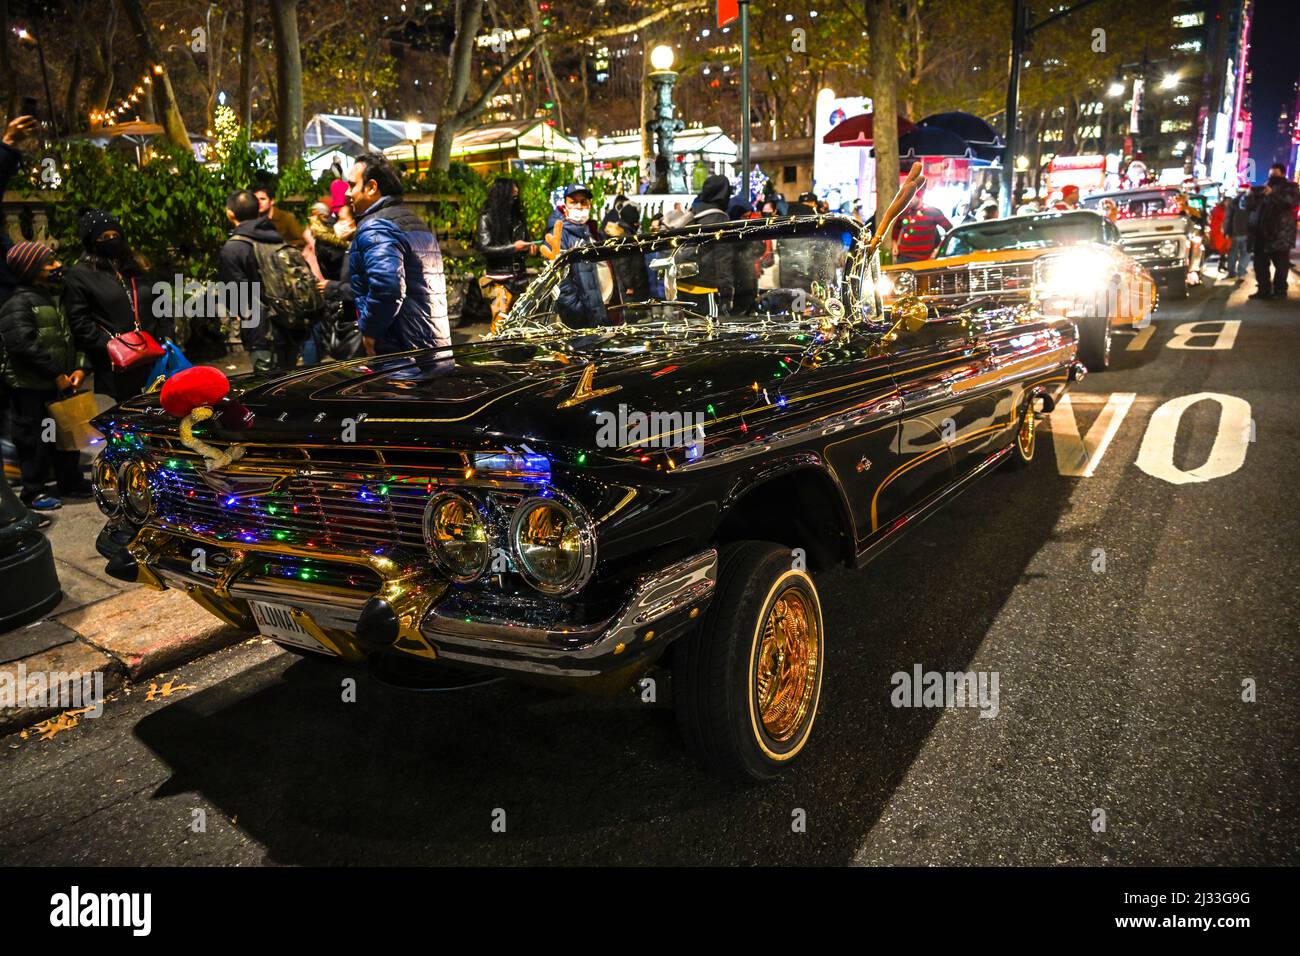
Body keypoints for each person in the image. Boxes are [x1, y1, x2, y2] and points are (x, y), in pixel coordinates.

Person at [1, 242, 93, 510]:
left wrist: (80, 367)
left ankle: (70, 481)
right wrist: (55, 374)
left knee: (65, 437)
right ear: (31, 269)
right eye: (48, 263)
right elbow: (22, 345)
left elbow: (72, 337)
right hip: (32, 389)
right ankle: (34, 491)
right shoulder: (17, 304)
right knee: (35, 441)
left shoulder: (54, 298)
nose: (56, 266)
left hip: (61, 384)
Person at [347, 151, 449, 354]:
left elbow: (387, 287)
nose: (347, 193)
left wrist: (370, 332)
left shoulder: (376, 227)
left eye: (351, 185)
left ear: (371, 187)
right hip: (432, 346)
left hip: (399, 352)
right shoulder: (414, 221)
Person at [62, 209, 168, 401]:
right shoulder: (80, 275)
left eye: (115, 235)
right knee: (128, 418)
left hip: (154, 357)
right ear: (92, 242)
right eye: (104, 237)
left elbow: (160, 303)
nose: (112, 240)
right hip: (117, 366)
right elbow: (80, 321)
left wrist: (166, 335)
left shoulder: (135, 267)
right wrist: (109, 347)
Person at [218, 188, 305, 374]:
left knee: (267, 389)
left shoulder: (233, 248)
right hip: (290, 324)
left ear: (230, 212)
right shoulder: (274, 236)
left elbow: (236, 298)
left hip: (261, 332)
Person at [477, 177, 537, 332]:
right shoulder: (487, 217)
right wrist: (513, 248)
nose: (514, 199)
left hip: (519, 276)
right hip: (500, 278)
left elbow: (522, 240)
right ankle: (500, 353)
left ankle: (516, 352)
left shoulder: (517, 216)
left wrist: (528, 248)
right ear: (502, 195)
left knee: (520, 322)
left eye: (516, 195)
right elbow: (485, 248)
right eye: (511, 195)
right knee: (500, 323)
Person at [551, 184, 606, 327]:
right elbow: (559, 280)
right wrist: (577, 311)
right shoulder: (559, 234)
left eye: (583, 202)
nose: (579, 206)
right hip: (581, 318)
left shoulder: (592, 230)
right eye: (574, 202)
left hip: (602, 310)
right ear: (565, 206)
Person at [1250, 173, 1299, 300]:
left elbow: (1290, 203)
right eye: (1270, 173)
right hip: (1261, 234)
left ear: (1283, 174)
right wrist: (1252, 195)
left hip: (1281, 235)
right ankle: (1263, 290)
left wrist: (1272, 194)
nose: (1272, 175)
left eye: (1275, 173)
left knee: (1281, 265)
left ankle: (1280, 290)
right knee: (1260, 265)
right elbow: (1251, 207)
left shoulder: (1290, 188)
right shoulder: (1265, 188)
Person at [892, 184, 952, 262]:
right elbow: (896, 228)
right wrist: (894, 244)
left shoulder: (933, 212)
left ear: (919, 196)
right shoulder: (904, 212)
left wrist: (938, 249)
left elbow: (950, 230)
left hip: (924, 259)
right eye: (906, 197)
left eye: (911, 196)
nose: (908, 200)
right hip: (902, 257)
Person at [254, 181, 305, 248]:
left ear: (272, 201)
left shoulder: (286, 218)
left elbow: (301, 240)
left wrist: (281, 246)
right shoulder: (253, 218)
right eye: (255, 200)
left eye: (262, 199)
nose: (259, 203)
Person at [1223, 187, 1252, 284]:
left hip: (1234, 233)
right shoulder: (1251, 203)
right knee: (1245, 253)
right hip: (1247, 233)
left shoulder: (1233, 203)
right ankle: (1241, 273)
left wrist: (1226, 232)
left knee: (1232, 253)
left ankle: (1231, 272)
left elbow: (1227, 218)